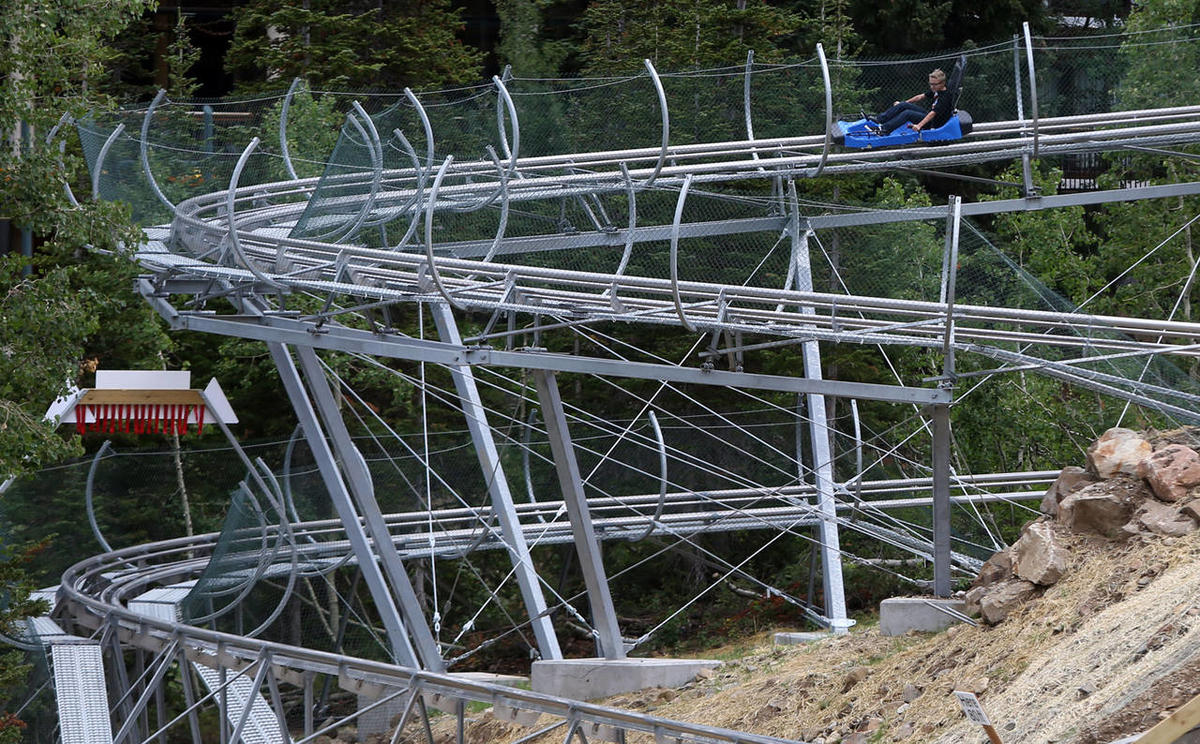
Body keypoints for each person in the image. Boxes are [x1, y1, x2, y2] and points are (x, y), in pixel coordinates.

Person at [871, 69, 953, 135]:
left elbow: (933, 113)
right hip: (930, 116)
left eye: (934, 84)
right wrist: (904, 103)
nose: (932, 87)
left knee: (908, 113)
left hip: (935, 123)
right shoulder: (936, 89)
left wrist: (919, 125)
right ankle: (879, 119)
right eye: (930, 84)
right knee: (904, 105)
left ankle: (884, 130)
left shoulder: (945, 96)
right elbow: (920, 97)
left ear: (943, 83)